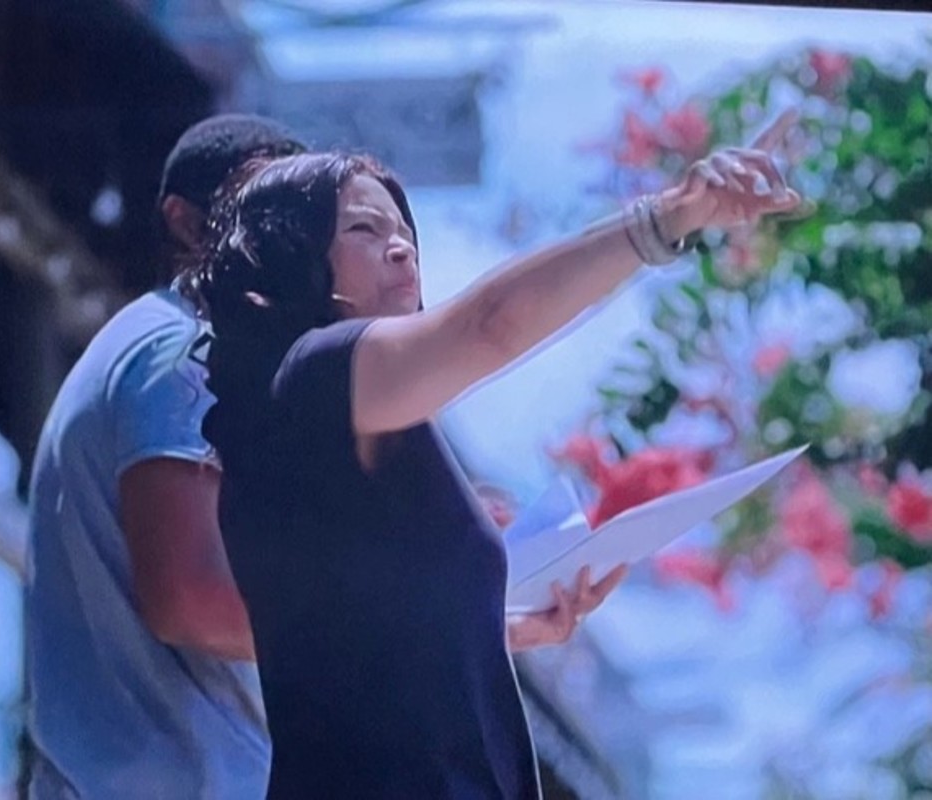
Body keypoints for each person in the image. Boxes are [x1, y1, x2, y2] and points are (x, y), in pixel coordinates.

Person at [190, 113, 801, 798]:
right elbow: (492, 324)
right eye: (363, 229)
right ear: (289, 254)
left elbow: (353, 631)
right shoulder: (310, 375)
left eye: (404, 231)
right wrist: (667, 218)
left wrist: (501, 625)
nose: (401, 249)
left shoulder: (340, 413)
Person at [23, 114, 304, 800]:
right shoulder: (179, 350)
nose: (293, 232)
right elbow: (191, 603)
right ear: (185, 220)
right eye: (264, 204)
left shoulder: (165, 343)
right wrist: (386, 625)